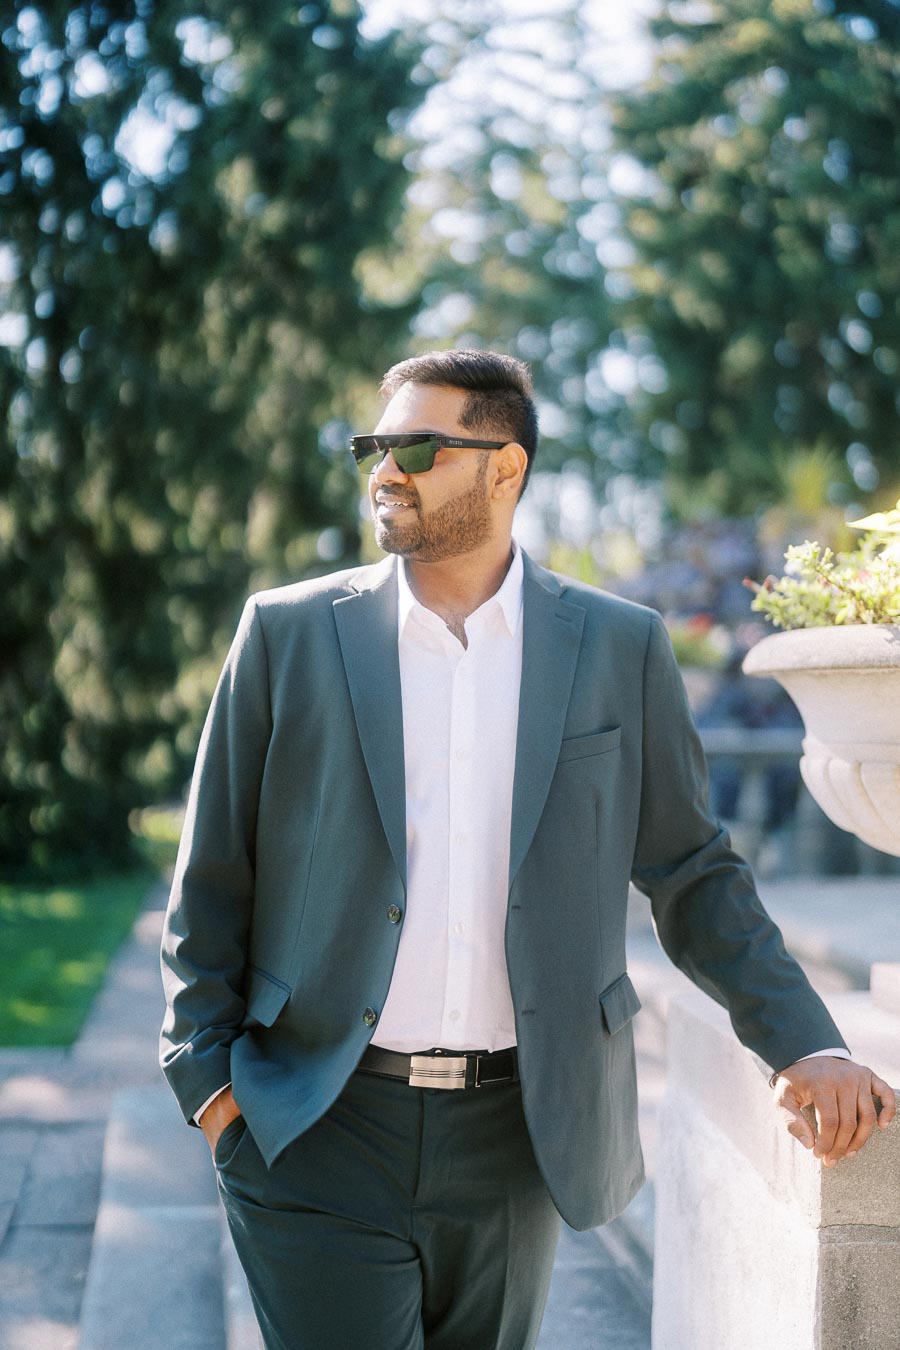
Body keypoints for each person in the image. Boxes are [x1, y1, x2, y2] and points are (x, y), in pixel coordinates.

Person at [160, 349, 895, 1350]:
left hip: (521, 1137)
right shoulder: (287, 634)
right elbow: (211, 876)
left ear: (505, 467)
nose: (386, 472)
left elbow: (692, 871)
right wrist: (211, 1091)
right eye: (376, 449)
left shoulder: (618, 646)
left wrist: (807, 1043)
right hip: (319, 1123)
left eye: (418, 449)